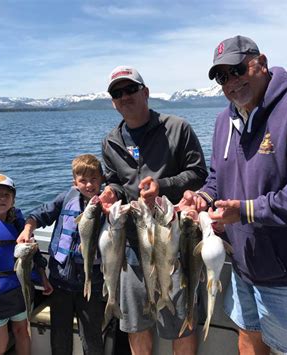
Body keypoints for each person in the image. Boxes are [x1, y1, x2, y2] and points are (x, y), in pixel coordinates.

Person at [179, 35, 287, 355]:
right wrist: (203, 197)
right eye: (221, 76)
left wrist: (246, 212)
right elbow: (217, 178)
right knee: (249, 338)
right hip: (245, 265)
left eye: (237, 70)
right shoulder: (223, 121)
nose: (230, 82)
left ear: (261, 63)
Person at [99, 65, 208, 355]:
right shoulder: (111, 141)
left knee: (180, 322)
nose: (124, 97)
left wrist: (162, 186)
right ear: (112, 102)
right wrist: (110, 192)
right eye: (117, 93)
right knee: (136, 325)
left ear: (145, 92)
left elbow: (198, 173)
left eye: (130, 89)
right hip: (130, 246)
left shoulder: (177, 128)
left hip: (173, 243)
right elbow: (116, 183)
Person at [17, 154, 106, 355]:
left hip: (90, 283)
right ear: (74, 181)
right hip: (60, 281)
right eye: (83, 180)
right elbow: (40, 214)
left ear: (102, 179)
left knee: (92, 336)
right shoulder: (66, 198)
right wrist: (27, 229)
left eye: (94, 179)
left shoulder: (106, 203)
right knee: (59, 334)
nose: (89, 185)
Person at [0, 173, 53, 355]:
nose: (1, 198)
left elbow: (35, 256)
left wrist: (44, 279)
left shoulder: (20, 226)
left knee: (23, 333)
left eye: (6, 194)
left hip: (20, 294)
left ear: (13, 200)